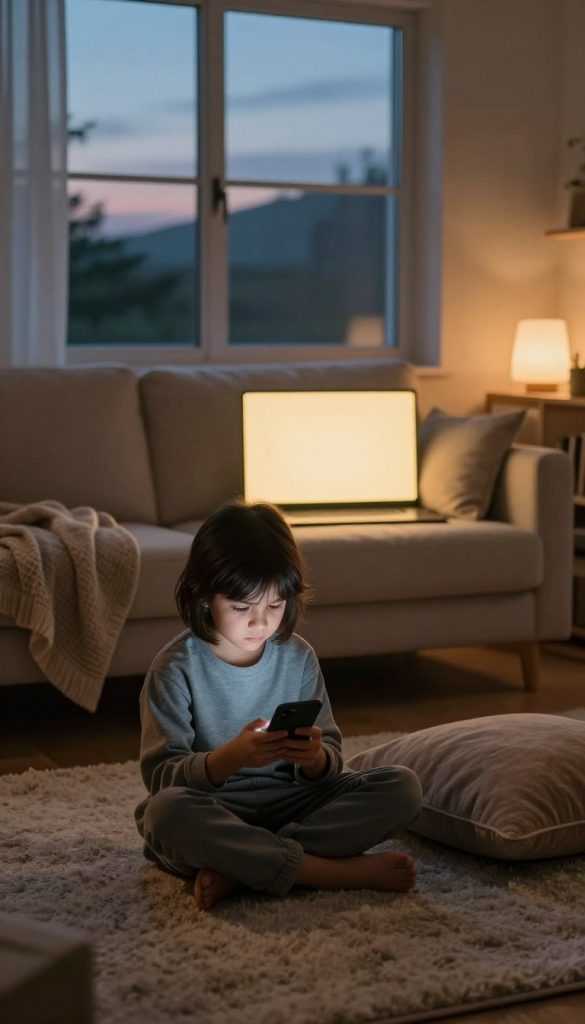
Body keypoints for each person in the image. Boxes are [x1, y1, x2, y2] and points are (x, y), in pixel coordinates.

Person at [134, 498, 422, 911]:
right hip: (218, 810)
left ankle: (245, 866)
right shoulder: (174, 670)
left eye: (274, 605)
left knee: (402, 787)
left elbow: (333, 762)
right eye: (241, 607)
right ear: (202, 595)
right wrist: (229, 758)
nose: (260, 622)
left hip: (294, 804)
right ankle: (329, 872)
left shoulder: (298, 657)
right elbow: (162, 778)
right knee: (165, 815)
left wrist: (314, 759)